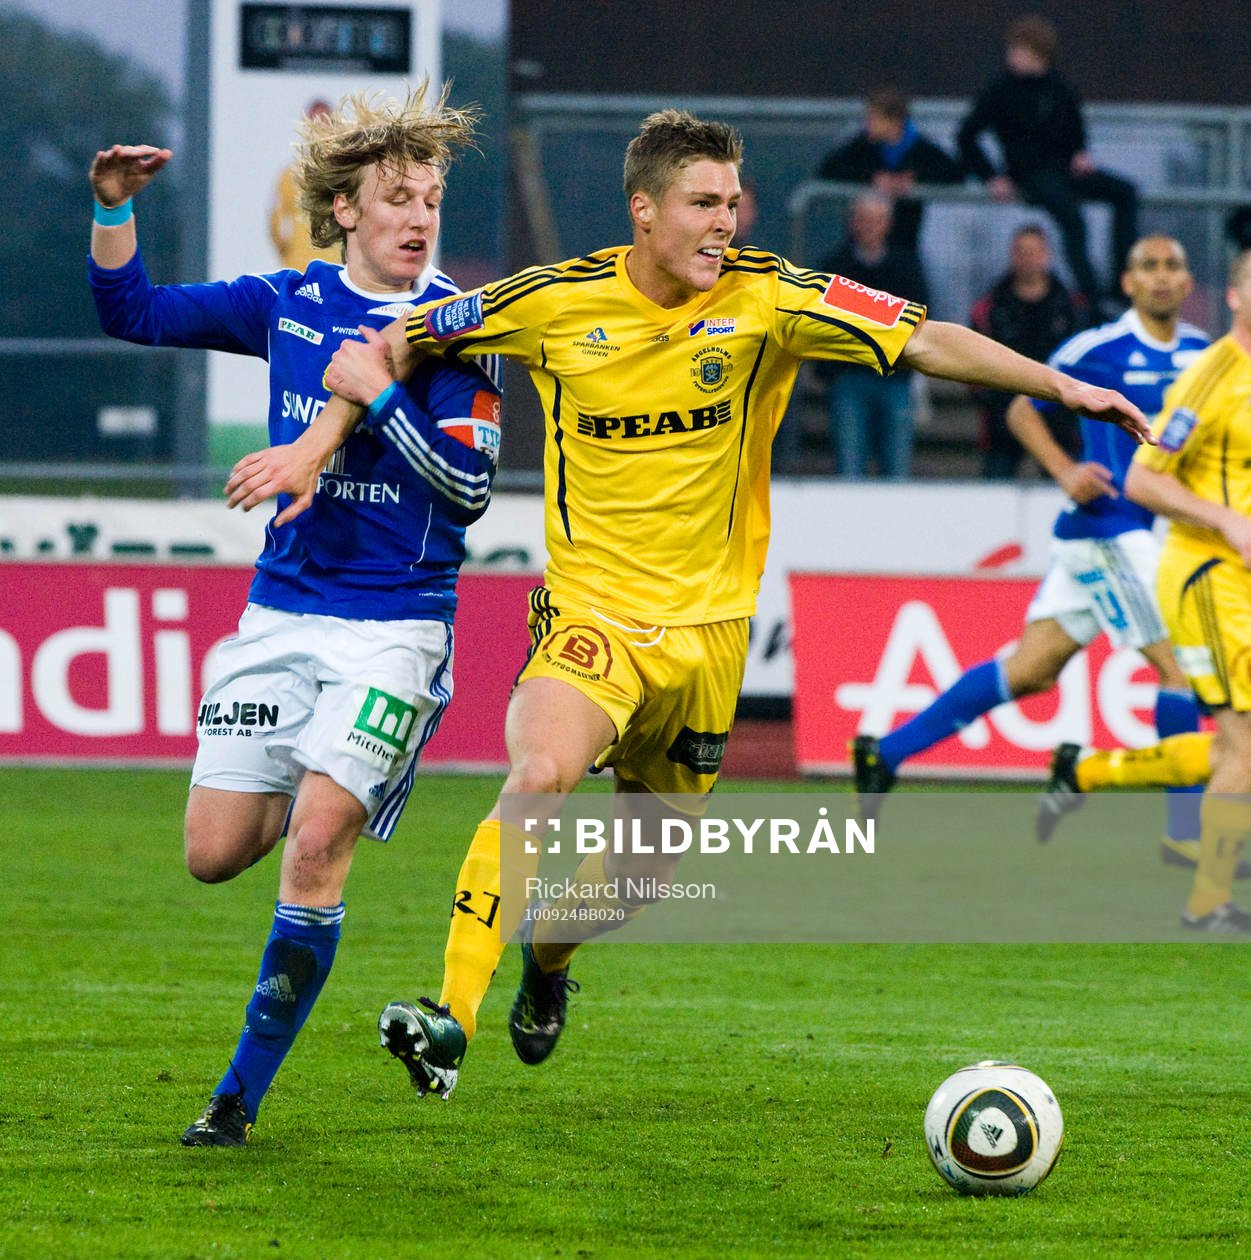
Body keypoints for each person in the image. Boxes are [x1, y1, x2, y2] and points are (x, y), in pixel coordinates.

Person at [224, 108, 1149, 1098]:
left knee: (626, 882)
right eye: (704, 203)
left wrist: (1061, 386)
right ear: (645, 209)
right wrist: (317, 444)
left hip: (707, 640)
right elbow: (398, 337)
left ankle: (547, 961)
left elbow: (926, 342)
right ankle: (451, 1013)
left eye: (733, 203)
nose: (726, 221)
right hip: (592, 617)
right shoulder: (553, 301)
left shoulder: (774, 299)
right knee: (536, 771)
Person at [87, 86, 503, 1145]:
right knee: (217, 851)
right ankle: (312, 781)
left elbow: (466, 493)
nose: (418, 218)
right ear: (346, 211)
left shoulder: (461, 327)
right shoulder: (286, 301)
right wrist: (112, 206)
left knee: (316, 843)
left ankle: (235, 1098)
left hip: (397, 624)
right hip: (280, 618)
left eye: (432, 199)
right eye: (397, 198)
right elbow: (130, 312)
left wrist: (385, 392)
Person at [853, 235, 1208, 871]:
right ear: (1127, 283)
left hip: (1149, 535)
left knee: (1032, 670)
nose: (1161, 277)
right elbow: (1023, 407)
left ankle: (887, 751)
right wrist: (1066, 470)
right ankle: (1186, 833)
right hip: (1112, 527)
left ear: (1188, 282)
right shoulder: (1099, 348)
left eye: (1172, 266)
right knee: (1180, 666)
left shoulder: (1202, 355)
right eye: (1147, 265)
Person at [1110, 247, 1251, 931]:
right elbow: (1142, 478)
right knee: (1242, 745)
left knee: (1235, 748)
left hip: (1240, 584)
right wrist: (1227, 521)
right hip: (1208, 580)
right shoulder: (1211, 374)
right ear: (1231, 296)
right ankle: (1207, 902)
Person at [957, 14, 1139, 314]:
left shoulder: (1060, 88)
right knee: (1072, 218)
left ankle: (1121, 283)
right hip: (1030, 175)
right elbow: (966, 138)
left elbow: (1075, 132)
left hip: (1064, 170)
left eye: (1020, 50)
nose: (1012, 57)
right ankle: (1091, 297)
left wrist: (1080, 154)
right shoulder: (1000, 90)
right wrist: (991, 177)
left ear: (1038, 53)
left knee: (1124, 193)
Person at [821, 192, 928, 477]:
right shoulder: (834, 265)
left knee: (897, 469)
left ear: (888, 224)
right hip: (848, 376)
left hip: (894, 377)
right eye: (863, 219)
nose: (869, 226)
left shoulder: (907, 266)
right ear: (852, 222)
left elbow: (918, 318)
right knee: (849, 468)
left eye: (876, 219)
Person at [970, 224, 1080, 478]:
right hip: (1002, 420)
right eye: (1021, 251)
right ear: (1012, 254)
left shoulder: (1071, 307)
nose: (1028, 258)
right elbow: (972, 358)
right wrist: (992, 401)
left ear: (1047, 255)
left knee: (1065, 491)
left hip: (1060, 420)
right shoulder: (992, 305)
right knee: (994, 495)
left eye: (1034, 251)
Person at [817, 86, 964, 258]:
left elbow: (954, 173)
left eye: (873, 119)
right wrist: (872, 178)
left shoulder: (919, 148)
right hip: (861, 245)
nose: (867, 124)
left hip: (905, 238)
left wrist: (914, 179)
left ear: (893, 121)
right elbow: (828, 168)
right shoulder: (863, 146)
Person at [268, 98, 343, 270]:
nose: (319, 128)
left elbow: (276, 226)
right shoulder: (346, 174)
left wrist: (288, 253)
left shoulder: (290, 174)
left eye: (323, 123)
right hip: (329, 268)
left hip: (305, 268)